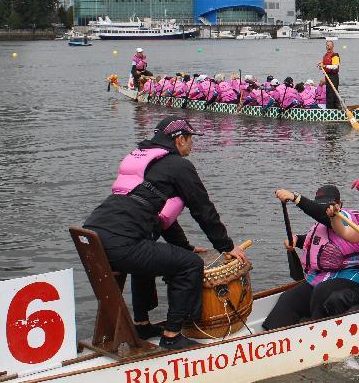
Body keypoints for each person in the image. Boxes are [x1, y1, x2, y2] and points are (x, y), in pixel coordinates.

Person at [82, 117, 248, 350]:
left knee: (147, 251)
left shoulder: (145, 158)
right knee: (190, 265)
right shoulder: (179, 166)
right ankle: (172, 336)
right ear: (180, 139)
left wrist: (185, 246)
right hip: (121, 244)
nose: (192, 146)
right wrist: (226, 246)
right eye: (191, 140)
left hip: (94, 237)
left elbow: (163, 220)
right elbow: (203, 209)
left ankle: (141, 324)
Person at [262, 185, 359, 330]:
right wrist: (298, 240)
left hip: (351, 277)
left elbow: (326, 218)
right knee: (288, 298)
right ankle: (270, 337)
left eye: (329, 205)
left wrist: (295, 198)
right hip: (321, 277)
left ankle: (313, 332)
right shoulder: (320, 224)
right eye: (320, 205)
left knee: (322, 292)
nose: (325, 209)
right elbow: (321, 241)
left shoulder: (347, 219)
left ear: (339, 205)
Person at [318, 40, 341, 109]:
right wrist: (320, 66)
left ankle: (336, 108)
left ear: (332, 46)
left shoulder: (335, 55)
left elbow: (335, 66)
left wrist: (325, 66)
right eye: (327, 45)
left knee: (333, 93)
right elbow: (323, 67)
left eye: (329, 45)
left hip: (334, 76)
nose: (328, 47)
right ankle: (329, 109)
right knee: (328, 93)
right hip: (327, 76)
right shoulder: (325, 56)